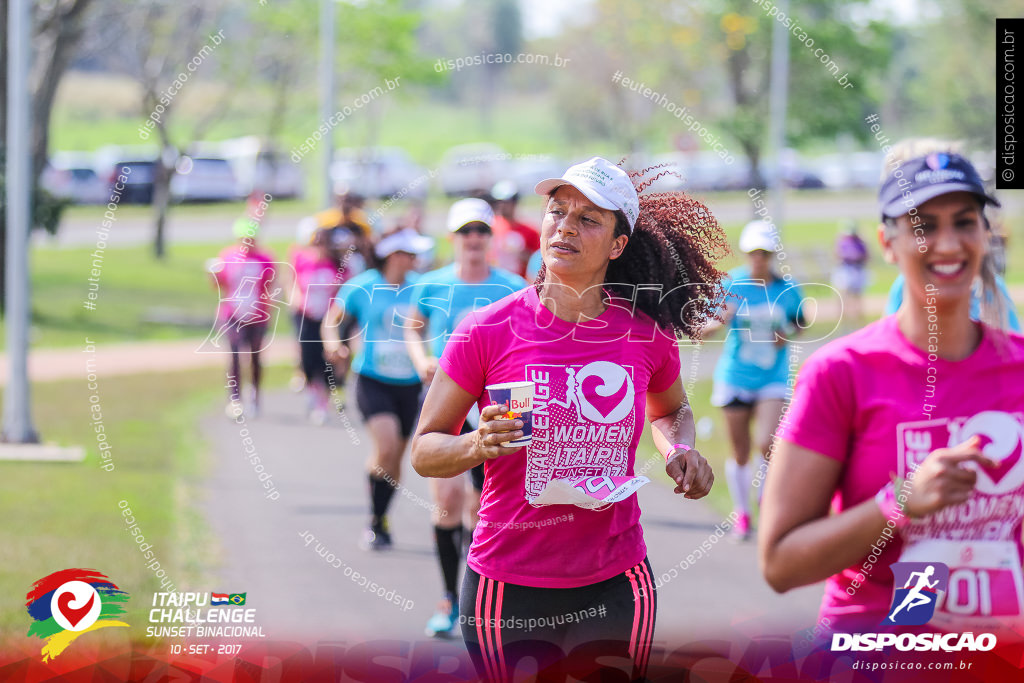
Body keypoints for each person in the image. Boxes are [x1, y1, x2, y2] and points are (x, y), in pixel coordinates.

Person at [411, 157, 723, 680]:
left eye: (589, 219)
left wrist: (680, 449)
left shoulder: (645, 333)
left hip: (616, 579)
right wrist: (477, 445)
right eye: (558, 211)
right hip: (506, 584)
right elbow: (425, 449)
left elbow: (671, 411)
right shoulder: (486, 330)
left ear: (617, 244)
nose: (565, 227)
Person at [759, 142, 1024, 635]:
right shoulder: (840, 372)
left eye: (964, 222)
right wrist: (899, 503)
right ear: (886, 241)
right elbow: (780, 563)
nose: (947, 244)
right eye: (924, 226)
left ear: (986, 235)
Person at [404, 198, 527, 638]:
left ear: (491, 239)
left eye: (481, 231)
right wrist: (421, 358)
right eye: (465, 232)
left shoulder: (513, 285)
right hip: (450, 402)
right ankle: (448, 598)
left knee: (485, 508)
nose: (473, 239)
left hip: (497, 405)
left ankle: (483, 595)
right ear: (453, 239)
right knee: (448, 501)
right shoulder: (431, 284)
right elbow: (413, 326)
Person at [322, 227, 434, 550]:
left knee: (395, 460)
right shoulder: (363, 287)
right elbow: (331, 320)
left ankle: (379, 519)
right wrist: (333, 344)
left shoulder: (420, 289)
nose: (415, 260)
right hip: (372, 380)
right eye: (409, 254)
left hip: (410, 385)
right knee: (385, 447)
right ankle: (375, 518)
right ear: (392, 256)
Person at [704, 220, 805, 541]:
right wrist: (718, 321)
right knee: (740, 450)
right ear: (747, 254)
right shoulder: (732, 283)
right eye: (753, 253)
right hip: (735, 375)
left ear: (772, 254)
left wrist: (785, 334)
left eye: (764, 252)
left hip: (772, 377)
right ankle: (742, 512)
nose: (758, 258)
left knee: (768, 442)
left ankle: (765, 498)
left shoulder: (787, 289)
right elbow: (710, 325)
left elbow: (800, 323)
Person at [208, 217, 279, 418]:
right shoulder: (228, 257)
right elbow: (219, 286)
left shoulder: (265, 259)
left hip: (257, 314)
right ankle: (235, 399)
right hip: (232, 314)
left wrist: (266, 311)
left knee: (255, 356)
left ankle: (255, 395)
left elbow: (269, 288)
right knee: (235, 355)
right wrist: (211, 275)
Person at [289, 227, 348, 425]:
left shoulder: (337, 266)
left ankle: (323, 403)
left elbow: (344, 291)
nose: (319, 247)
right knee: (307, 358)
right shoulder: (302, 260)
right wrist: (296, 299)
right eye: (316, 242)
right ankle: (312, 391)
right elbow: (293, 281)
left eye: (323, 243)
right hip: (306, 316)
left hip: (328, 320)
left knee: (325, 362)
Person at [489, 180, 541, 278]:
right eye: (498, 202)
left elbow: (539, 262)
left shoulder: (530, 232)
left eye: (506, 202)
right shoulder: (488, 228)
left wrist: (522, 254)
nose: (502, 205)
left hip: (521, 283)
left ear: (515, 202)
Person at [832, 221, 869, 330]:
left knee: (856, 298)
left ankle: (857, 323)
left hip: (857, 270)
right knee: (842, 297)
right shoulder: (842, 241)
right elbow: (837, 255)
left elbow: (866, 256)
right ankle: (842, 324)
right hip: (845, 270)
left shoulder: (860, 242)